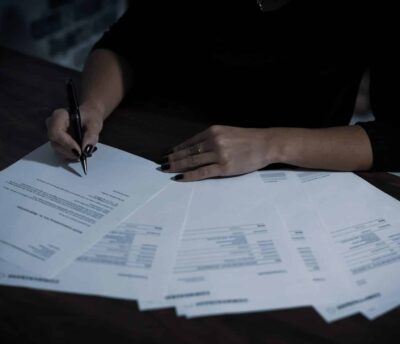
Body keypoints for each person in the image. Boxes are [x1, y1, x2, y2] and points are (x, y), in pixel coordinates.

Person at [46, 0, 400, 181]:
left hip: (292, 173)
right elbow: (127, 43)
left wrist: (271, 144)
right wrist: (93, 105)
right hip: (150, 155)